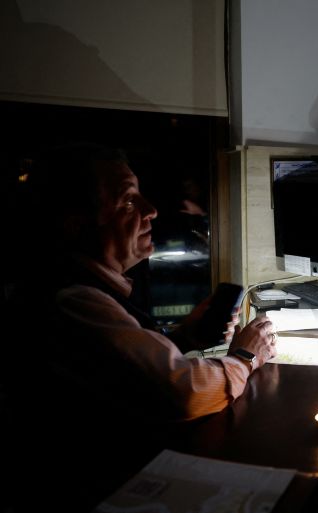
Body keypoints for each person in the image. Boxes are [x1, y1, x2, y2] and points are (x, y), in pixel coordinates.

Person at [1, 143, 277, 511]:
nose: (151, 210)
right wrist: (246, 356)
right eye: (128, 201)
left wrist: (183, 338)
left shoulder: (81, 291)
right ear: (76, 222)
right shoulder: (72, 301)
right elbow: (182, 393)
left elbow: (118, 370)